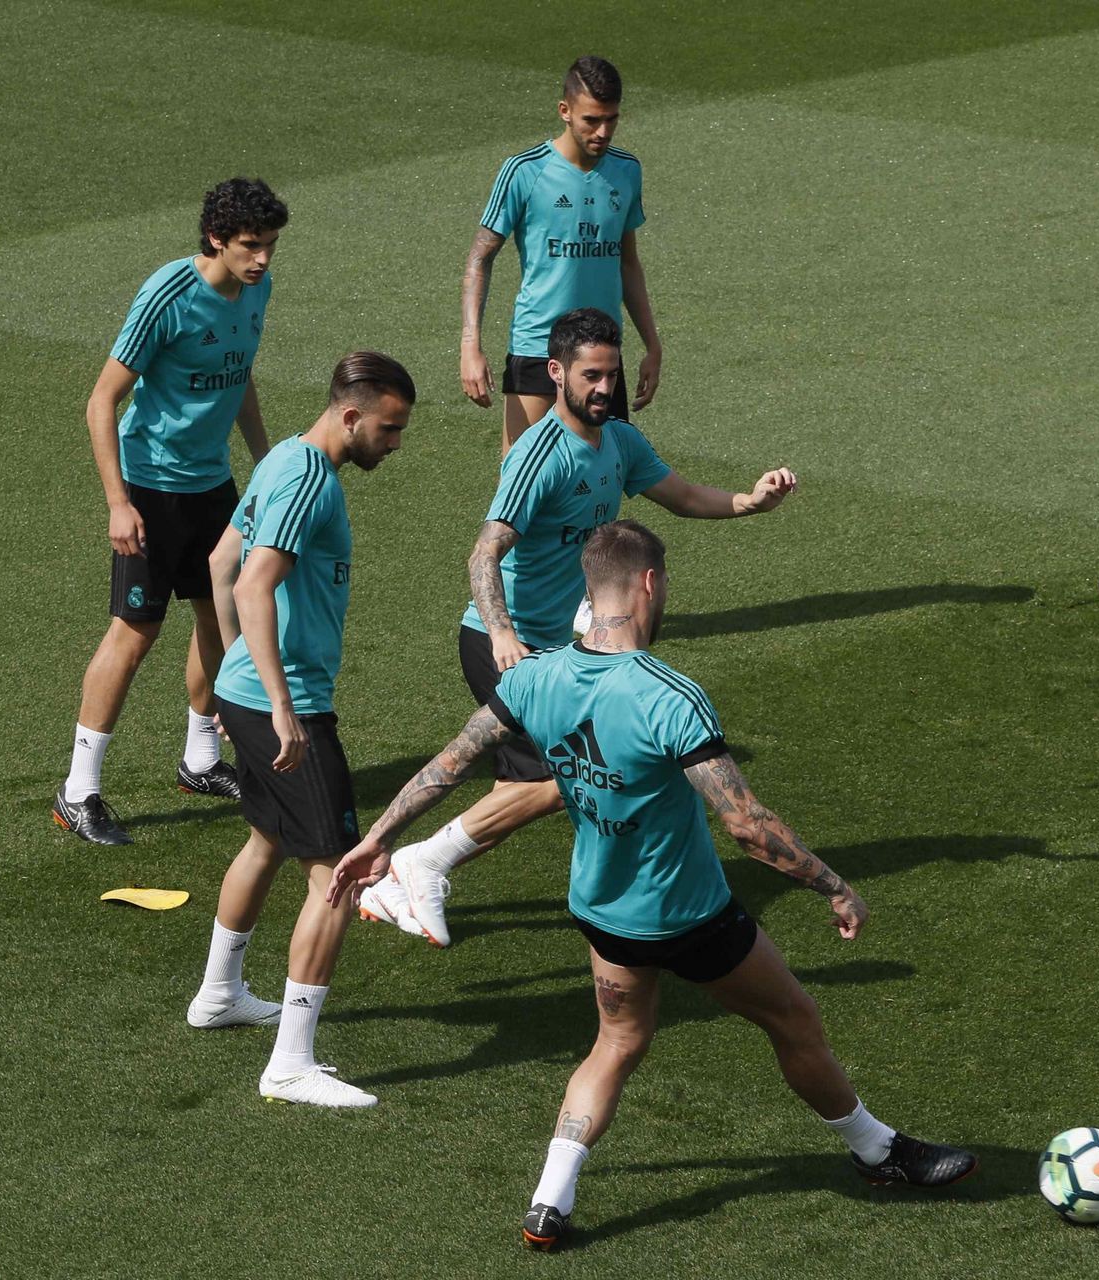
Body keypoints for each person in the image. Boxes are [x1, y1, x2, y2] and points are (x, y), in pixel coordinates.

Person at [329, 521, 977, 1248]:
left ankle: (549, 1201)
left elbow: (449, 764)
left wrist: (379, 839)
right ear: (648, 583)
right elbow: (746, 824)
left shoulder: (534, 679)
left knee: (617, 1043)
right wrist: (833, 885)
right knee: (792, 1020)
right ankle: (876, 1151)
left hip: (602, 913)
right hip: (691, 917)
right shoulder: (671, 696)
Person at [355, 307, 795, 948]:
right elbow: (484, 553)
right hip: (503, 640)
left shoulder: (618, 441)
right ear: (556, 372)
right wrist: (505, 634)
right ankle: (421, 862)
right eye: (591, 375)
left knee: (550, 778)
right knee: (554, 779)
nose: (603, 389)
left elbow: (681, 495)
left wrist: (748, 502)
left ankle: (418, 864)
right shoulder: (540, 457)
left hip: (561, 648)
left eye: (611, 376)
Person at [183, 353, 413, 1109]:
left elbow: (220, 562)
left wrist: (231, 675)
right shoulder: (308, 477)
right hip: (292, 704)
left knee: (267, 840)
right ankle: (290, 1063)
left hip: (251, 692)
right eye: (389, 428)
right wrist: (278, 703)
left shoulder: (281, 454)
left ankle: (220, 994)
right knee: (341, 876)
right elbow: (251, 580)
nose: (394, 443)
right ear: (352, 416)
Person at [55, 178, 288, 844]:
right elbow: (102, 402)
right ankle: (80, 791)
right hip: (151, 487)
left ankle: (201, 758)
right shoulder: (168, 295)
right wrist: (118, 503)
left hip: (211, 482)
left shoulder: (256, 290)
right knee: (135, 632)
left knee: (220, 614)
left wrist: (266, 463)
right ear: (216, 237)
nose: (264, 259)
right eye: (252, 246)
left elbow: (239, 374)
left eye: (270, 246)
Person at [460, 55, 660, 457]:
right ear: (565, 112)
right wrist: (470, 345)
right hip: (538, 349)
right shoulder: (523, 171)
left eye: (612, 120)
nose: (603, 132)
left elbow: (627, 263)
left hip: (603, 353)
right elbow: (480, 258)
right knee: (522, 484)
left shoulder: (627, 171)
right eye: (591, 120)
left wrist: (652, 345)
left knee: (600, 479)